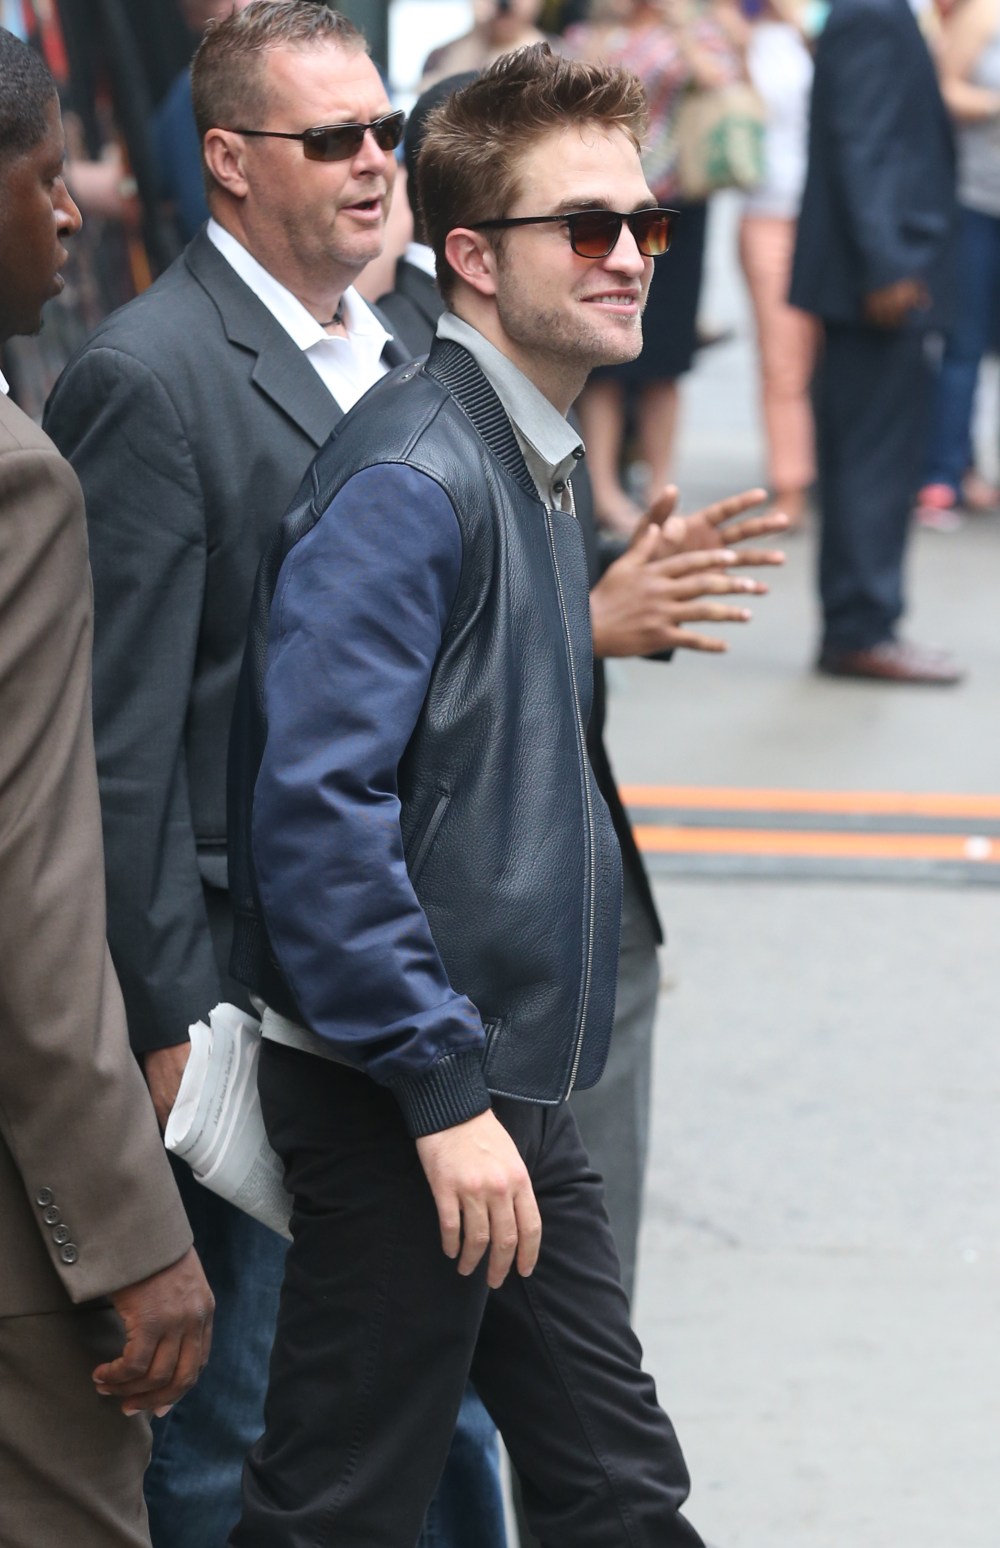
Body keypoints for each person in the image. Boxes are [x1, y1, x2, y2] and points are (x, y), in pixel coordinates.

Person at [227, 43, 717, 1548]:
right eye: (586, 226)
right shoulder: (415, 476)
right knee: (335, 1509)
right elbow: (318, 814)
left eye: (644, 222)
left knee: (617, 1490)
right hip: (411, 1093)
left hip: (500, 1082)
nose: (629, 255)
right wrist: (441, 1095)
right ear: (473, 260)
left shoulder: (526, 456)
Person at [42, 5, 409, 1545]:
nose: (375, 162)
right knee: (229, 1435)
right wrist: (171, 1032)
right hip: (237, 1016)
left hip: (387, 993)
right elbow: (113, 750)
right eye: (334, 139)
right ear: (231, 162)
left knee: (405, 1405)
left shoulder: (395, 347)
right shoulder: (150, 374)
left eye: (385, 130)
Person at [0, 28, 214, 1548]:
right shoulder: (17, 481)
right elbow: (32, 895)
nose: (75, 208)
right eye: (43, 173)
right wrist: (133, 1235)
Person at [789, 0, 963, 683]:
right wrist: (887, 263)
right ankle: (862, 627)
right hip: (875, 282)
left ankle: (860, 624)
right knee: (873, 460)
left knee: (868, 456)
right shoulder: (873, 14)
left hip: (871, 273)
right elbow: (863, 139)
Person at [567, 0, 746, 534]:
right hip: (606, 202)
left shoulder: (692, 29)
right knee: (603, 355)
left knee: (666, 355)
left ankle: (659, 488)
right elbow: (569, 96)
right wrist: (603, 29)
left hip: (674, 203)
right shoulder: (593, 33)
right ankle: (603, 490)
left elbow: (722, 80)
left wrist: (680, 23)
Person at [917, 0, 1000, 526]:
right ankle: (945, 473)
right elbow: (943, 88)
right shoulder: (985, 14)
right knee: (963, 344)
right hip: (978, 203)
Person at [737, 0, 817, 529]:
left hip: (828, 213)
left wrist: (799, 21)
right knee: (783, 358)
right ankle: (791, 481)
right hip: (767, 212)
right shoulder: (737, 28)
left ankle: (835, 472)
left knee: (832, 354)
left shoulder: (822, 21)